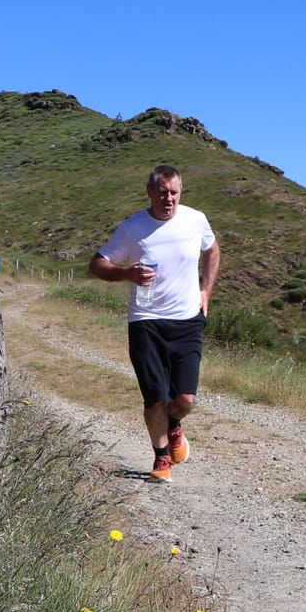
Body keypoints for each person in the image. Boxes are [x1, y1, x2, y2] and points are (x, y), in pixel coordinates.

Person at [89, 164, 220, 480]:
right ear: (150, 192)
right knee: (155, 396)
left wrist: (206, 291)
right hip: (146, 321)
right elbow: (97, 264)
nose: (169, 199)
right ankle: (161, 459)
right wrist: (126, 273)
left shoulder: (195, 220)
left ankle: (175, 424)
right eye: (162, 193)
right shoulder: (133, 228)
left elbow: (213, 251)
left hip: (188, 320)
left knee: (184, 399)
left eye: (174, 193)